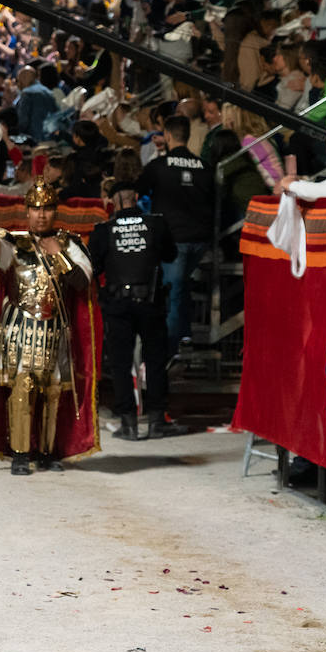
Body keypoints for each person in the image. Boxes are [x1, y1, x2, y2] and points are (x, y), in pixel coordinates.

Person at [0, 179, 99, 475]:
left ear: (55, 211)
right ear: (27, 210)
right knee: (23, 386)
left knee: (53, 390)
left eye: (46, 208)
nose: (41, 214)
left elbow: (83, 282)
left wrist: (58, 252)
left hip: (56, 328)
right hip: (20, 327)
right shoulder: (14, 241)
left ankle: (47, 451)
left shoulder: (70, 243)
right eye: (35, 208)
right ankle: (21, 453)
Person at [89, 183, 184, 440]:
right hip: (150, 302)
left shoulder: (103, 230)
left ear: (112, 201)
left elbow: (92, 266)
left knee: (120, 364)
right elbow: (170, 254)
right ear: (137, 199)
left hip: (118, 303)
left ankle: (129, 424)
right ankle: (156, 421)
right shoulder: (156, 224)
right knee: (154, 361)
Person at [138, 114, 213, 353]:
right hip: (201, 240)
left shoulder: (158, 166)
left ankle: (168, 351)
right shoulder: (204, 166)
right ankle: (185, 336)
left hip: (174, 239)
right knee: (181, 288)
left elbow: (139, 191)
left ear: (168, 135)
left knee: (172, 294)